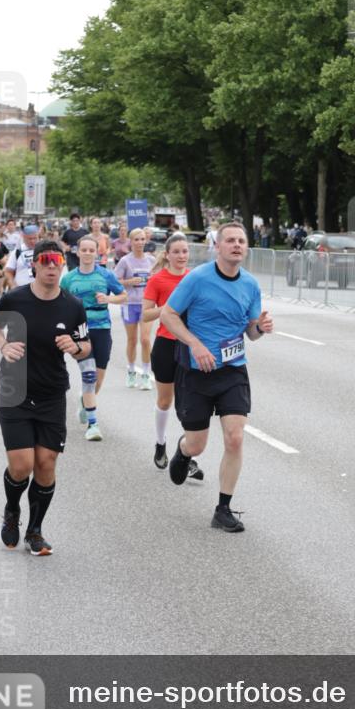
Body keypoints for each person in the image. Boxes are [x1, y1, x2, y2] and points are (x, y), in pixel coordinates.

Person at [160, 222, 273, 532]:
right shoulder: (198, 279)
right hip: (196, 374)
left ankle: (223, 509)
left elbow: (251, 333)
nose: (236, 245)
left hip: (233, 370)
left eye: (241, 241)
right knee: (197, 444)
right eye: (230, 240)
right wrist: (194, 344)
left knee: (235, 438)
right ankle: (184, 451)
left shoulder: (250, 284)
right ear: (218, 246)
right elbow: (168, 314)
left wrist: (260, 328)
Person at [0, 240, 91, 556]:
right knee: (21, 466)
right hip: (15, 390)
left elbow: (86, 345)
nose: (51, 266)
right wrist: (4, 345)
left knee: (46, 464)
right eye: (45, 260)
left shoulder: (72, 305)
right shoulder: (16, 298)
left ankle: (35, 531)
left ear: (63, 264)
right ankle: (12, 509)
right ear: (34, 264)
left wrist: (75, 347)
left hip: (51, 393)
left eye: (56, 260)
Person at [142, 233, 203, 479]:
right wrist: (168, 309)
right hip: (166, 346)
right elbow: (145, 314)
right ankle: (160, 443)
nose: (181, 256)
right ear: (167, 255)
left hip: (189, 345)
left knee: (189, 404)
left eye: (185, 251)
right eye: (176, 251)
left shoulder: (194, 278)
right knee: (166, 400)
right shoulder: (157, 280)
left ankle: (187, 456)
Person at [60, 235, 126, 440]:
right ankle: (93, 424)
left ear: (97, 253)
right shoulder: (69, 278)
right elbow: (59, 302)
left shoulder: (106, 275)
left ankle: (85, 401)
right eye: (84, 250)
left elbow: (123, 295)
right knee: (88, 375)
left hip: (102, 329)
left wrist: (108, 299)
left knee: (97, 379)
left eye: (91, 250)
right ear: (77, 252)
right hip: (80, 331)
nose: (88, 253)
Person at [115, 228, 155, 389]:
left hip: (147, 304)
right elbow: (115, 281)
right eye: (136, 240)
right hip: (129, 304)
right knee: (132, 340)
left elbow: (158, 278)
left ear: (146, 240)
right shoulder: (125, 261)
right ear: (130, 242)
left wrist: (152, 280)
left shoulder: (151, 260)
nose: (139, 242)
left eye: (142, 239)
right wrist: (129, 282)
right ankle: (131, 371)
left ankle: (145, 374)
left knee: (145, 339)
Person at [4, 224, 38, 289]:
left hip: (39, 290)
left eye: (35, 238)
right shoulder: (17, 251)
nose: (32, 241)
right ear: (24, 238)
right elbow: (8, 272)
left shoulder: (43, 250)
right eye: (30, 239)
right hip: (21, 290)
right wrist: (13, 286)